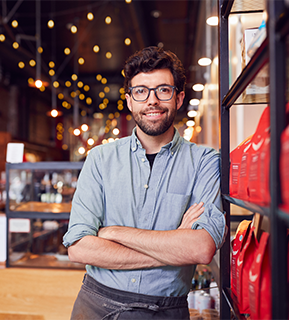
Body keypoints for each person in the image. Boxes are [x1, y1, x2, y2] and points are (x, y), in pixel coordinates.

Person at [63, 46, 226, 320]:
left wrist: (112, 232)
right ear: (129, 101)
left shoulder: (204, 161)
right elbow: (79, 248)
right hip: (94, 305)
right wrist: (175, 246)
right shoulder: (100, 158)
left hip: (166, 310)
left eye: (163, 90)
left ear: (179, 97)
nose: (152, 100)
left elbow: (200, 248)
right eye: (141, 91)